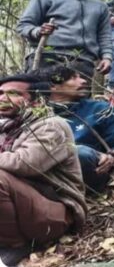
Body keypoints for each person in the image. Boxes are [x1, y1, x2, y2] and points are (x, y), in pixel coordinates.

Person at [0, 73, 86, 265]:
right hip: (24, 204)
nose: (2, 99)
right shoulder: (7, 128)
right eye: (0, 93)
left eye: (13, 93)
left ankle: (14, 245)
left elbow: (24, 163)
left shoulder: (51, 125)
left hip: (57, 212)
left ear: (37, 101)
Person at [40, 66, 114, 193]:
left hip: (91, 172)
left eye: (80, 77)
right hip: (46, 173)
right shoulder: (35, 115)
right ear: (53, 86)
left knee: (79, 152)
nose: (83, 81)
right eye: (74, 78)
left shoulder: (100, 109)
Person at [16, 0, 112, 77]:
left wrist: (107, 57)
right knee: (43, 93)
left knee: (80, 95)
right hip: (48, 57)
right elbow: (23, 25)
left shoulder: (100, 6)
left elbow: (104, 35)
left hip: (84, 61)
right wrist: (37, 31)